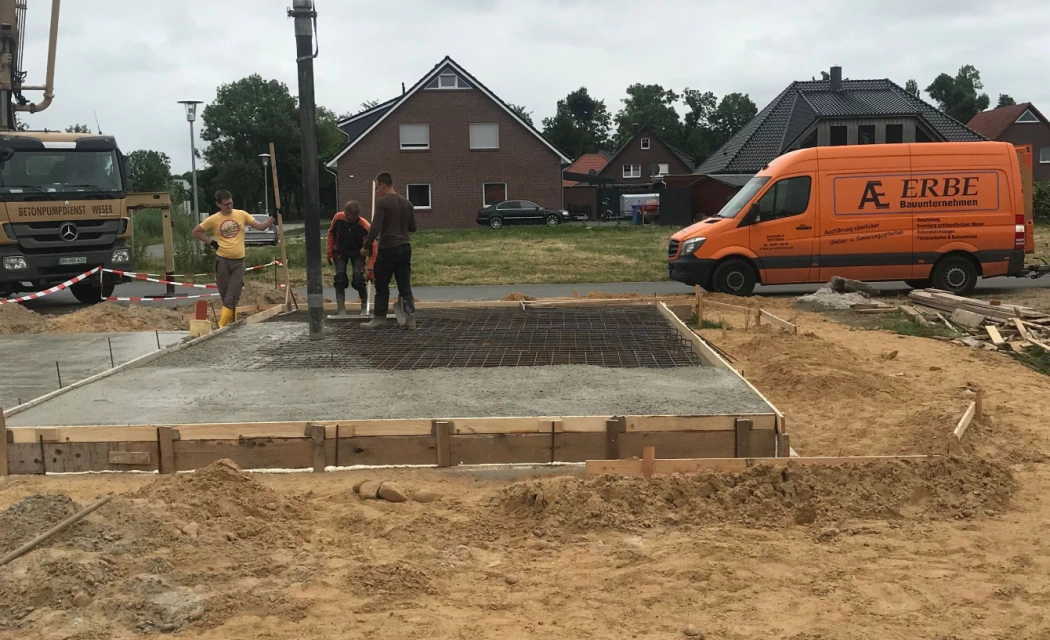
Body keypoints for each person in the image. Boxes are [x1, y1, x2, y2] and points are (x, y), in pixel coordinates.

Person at [192, 190, 276, 327]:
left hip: (238, 262)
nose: (229, 206)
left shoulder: (241, 214)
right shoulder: (214, 219)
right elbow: (196, 231)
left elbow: (261, 227)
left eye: (231, 203)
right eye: (226, 204)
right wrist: (211, 242)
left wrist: (274, 217)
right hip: (222, 261)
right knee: (225, 295)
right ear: (218, 204)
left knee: (233, 294)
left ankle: (222, 324)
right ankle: (231, 322)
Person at [361, 172, 417, 330]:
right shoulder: (407, 203)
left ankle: (379, 317)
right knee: (404, 285)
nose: (377, 191)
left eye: (377, 187)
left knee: (381, 285)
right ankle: (411, 318)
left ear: (383, 185)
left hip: (388, 248)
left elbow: (375, 227)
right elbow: (413, 227)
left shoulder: (382, 202)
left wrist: (366, 246)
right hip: (405, 248)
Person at [326, 200, 376, 316]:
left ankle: (364, 305)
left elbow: (374, 249)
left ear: (356, 215)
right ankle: (341, 308)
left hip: (358, 252)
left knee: (358, 280)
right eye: (345, 213)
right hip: (341, 251)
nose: (345, 216)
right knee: (340, 279)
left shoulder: (365, 226)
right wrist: (329, 251)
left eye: (348, 215)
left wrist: (371, 269)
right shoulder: (338, 218)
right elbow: (331, 233)